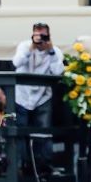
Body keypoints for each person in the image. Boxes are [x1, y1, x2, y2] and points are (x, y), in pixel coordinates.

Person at [11, 22, 63, 168]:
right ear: (32, 34)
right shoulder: (24, 46)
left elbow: (58, 72)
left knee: (44, 132)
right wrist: (31, 48)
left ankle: (44, 165)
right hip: (22, 95)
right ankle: (21, 164)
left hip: (43, 96)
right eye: (37, 35)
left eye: (44, 35)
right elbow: (16, 62)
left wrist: (50, 51)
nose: (40, 38)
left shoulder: (55, 51)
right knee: (20, 132)